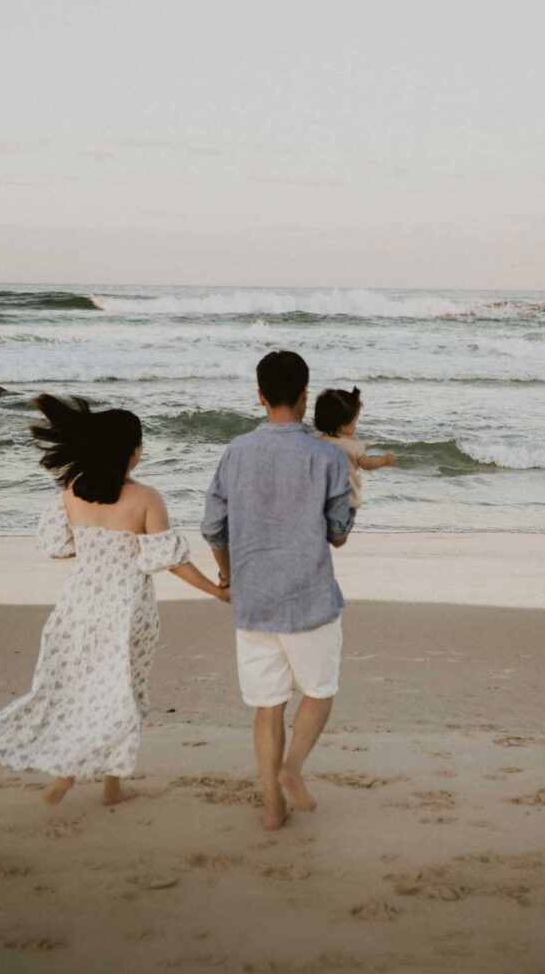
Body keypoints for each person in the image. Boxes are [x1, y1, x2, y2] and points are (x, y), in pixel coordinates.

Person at [0, 394, 229, 808]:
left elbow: (57, 546)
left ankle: (67, 775)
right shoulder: (146, 498)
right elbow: (170, 561)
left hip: (78, 604)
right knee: (122, 692)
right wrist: (217, 590)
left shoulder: (72, 491)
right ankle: (110, 786)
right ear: (132, 451)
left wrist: (98, 551)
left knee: (75, 689)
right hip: (127, 609)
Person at [201, 351, 354, 830]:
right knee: (320, 691)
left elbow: (213, 527)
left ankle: (271, 805)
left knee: (269, 705)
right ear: (306, 396)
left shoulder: (236, 451)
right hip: (309, 597)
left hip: (255, 598)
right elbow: (338, 533)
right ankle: (293, 768)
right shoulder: (327, 456)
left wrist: (226, 575)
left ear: (260, 397)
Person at [313, 386, 396, 510]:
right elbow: (367, 464)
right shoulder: (354, 444)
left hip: (322, 500)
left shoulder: (318, 442)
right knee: (337, 527)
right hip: (346, 502)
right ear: (343, 423)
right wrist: (384, 460)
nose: (355, 426)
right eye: (355, 421)